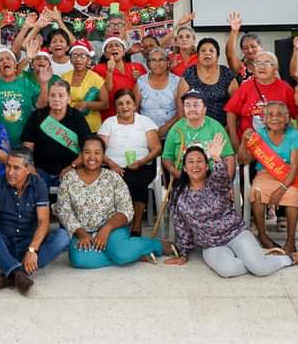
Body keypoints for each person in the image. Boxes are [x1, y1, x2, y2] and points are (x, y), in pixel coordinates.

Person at [167, 135, 298, 276]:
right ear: (184, 168)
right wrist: (183, 253)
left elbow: (223, 178)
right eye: (190, 162)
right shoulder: (179, 194)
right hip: (211, 244)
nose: (195, 165)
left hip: (235, 233)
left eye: (200, 161)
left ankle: (290, 258)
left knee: (261, 269)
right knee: (228, 271)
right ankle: (259, 258)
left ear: (207, 166)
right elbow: (181, 225)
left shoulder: (216, 182)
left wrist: (217, 159)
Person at [0, 147, 70, 294]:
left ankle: (10, 274)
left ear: (28, 169)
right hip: (2, 246)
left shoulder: (38, 185)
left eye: (16, 168)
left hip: (28, 245)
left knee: (63, 237)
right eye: (8, 166)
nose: (10, 172)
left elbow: (43, 222)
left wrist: (32, 250)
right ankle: (18, 272)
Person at [54, 137, 165, 268]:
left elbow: (126, 210)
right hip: (83, 231)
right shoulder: (68, 179)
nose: (92, 157)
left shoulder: (113, 177)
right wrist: (81, 233)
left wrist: (106, 229)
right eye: (87, 152)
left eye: (97, 152)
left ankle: (157, 245)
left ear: (103, 156)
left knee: (122, 254)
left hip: (113, 229)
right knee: (79, 260)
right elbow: (64, 211)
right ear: (81, 155)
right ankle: (134, 254)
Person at [239, 101, 298, 252]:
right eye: (270, 114)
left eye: (279, 114)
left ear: (287, 118)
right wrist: (244, 142)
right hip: (265, 174)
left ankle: (291, 241)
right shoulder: (260, 134)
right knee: (256, 191)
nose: (275, 118)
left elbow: (294, 167)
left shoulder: (294, 135)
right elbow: (243, 160)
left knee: (292, 194)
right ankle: (263, 236)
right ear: (265, 118)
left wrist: (281, 190)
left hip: (290, 175)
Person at [98, 90, 161, 235]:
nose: (124, 107)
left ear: (134, 105)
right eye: (120, 104)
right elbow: (98, 149)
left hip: (141, 166)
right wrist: (112, 164)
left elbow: (157, 148)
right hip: (112, 167)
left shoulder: (145, 122)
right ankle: (113, 225)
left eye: (128, 103)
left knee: (137, 181)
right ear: (116, 107)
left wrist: (141, 162)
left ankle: (136, 225)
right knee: (111, 181)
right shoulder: (109, 123)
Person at [22, 78, 92, 189]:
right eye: (53, 95)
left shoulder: (77, 117)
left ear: (68, 98)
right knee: (34, 187)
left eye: (61, 95)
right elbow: (28, 146)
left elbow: (87, 148)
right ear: (48, 97)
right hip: (41, 169)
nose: (56, 99)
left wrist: (72, 166)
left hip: (70, 169)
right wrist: (31, 168)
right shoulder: (37, 116)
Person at [0, 49, 49, 150]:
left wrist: (44, 83)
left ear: (15, 64)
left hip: (25, 143)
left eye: (8, 58)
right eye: (1, 60)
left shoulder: (27, 83)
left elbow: (41, 105)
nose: (5, 61)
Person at [225, 50, 298, 144]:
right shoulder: (245, 87)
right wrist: (233, 137)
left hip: (279, 143)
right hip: (249, 143)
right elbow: (231, 111)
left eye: (266, 63)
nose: (261, 67)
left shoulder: (285, 88)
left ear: (275, 68)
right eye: (258, 63)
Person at [162, 91, 235, 181]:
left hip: (212, 179)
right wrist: (177, 174)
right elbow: (167, 158)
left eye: (196, 105)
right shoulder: (176, 129)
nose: (192, 109)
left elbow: (228, 157)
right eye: (187, 105)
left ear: (204, 109)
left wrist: (226, 182)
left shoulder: (216, 127)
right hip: (184, 178)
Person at [178, 38, 237, 129]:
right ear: (198, 55)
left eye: (211, 51)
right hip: (194, 128)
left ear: (217, 56)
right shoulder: (190, 72)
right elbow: (180, 100)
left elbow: (235, 103)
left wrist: (228, 128)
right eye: (203, 51)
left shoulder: (226, 73)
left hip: (223, 128)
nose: (207, 53)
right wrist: (186, 126)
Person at [94, 36, 146, 121]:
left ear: (124, 52)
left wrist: (140, 79)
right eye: (110, 46)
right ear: (105, 54)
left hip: (136, 118)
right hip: (111, 117)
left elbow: (148, 92)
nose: (114, 48)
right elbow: (106, 95)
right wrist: (109, 72)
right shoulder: (99, 69)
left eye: (117, 45)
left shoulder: (137, 67)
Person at [135, 47, 182, 142]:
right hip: (146, 133)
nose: (157, 63)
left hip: (172, 132)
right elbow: (135, 110)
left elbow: (181, 111)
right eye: (153, 60)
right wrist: (148, 129)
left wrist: (165, 128)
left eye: (161, 59)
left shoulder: (177, 82)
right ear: (148, 64)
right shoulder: (141, 81)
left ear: (168, 63)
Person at [62, 39, 109, 132]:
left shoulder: (96, 78)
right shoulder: (64, 77)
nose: (78, 59)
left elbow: (105, 104)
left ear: (88, 59)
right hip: (69, 124)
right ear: (70, 59)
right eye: (75, 55)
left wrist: (86, 104)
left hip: (90, 126)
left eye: (83, 56)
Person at [225, 12, 262, 80]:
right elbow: (230, 55)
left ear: (261, 47)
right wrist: (234, 31)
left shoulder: (269, 66)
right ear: (242, 50)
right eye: (246, 48)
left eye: (253, 46)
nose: (250, 50)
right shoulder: (240, 67)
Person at [159, 12, 198, 76]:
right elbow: (157, 45)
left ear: (194, 41)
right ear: (176, 42)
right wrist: (178, 25)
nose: (184, 39)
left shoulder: (200, 57)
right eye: (181, 37)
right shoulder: (170, 57)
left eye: (188, 36)